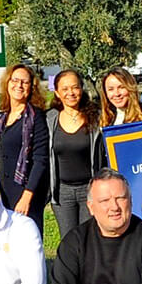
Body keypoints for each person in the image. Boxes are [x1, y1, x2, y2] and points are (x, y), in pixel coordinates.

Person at [0, 63, 49, 237]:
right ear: (7, 83)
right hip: (2, 193)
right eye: (15, 80)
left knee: (28, 242)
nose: (19, 85)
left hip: (26, 194)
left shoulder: (36, 117)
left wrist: (26, 197)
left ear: (31, 88)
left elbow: (41, 160)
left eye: (25, 82)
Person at [46, 69, 105, 240]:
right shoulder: (49, 119)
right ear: (57, 93)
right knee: (69, 240)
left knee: (90, 238)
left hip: (90, 190)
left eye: (75, 87)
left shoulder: (97, 117)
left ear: (81, 89)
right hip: (62, 192)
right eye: (65, 89)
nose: (70, 93)